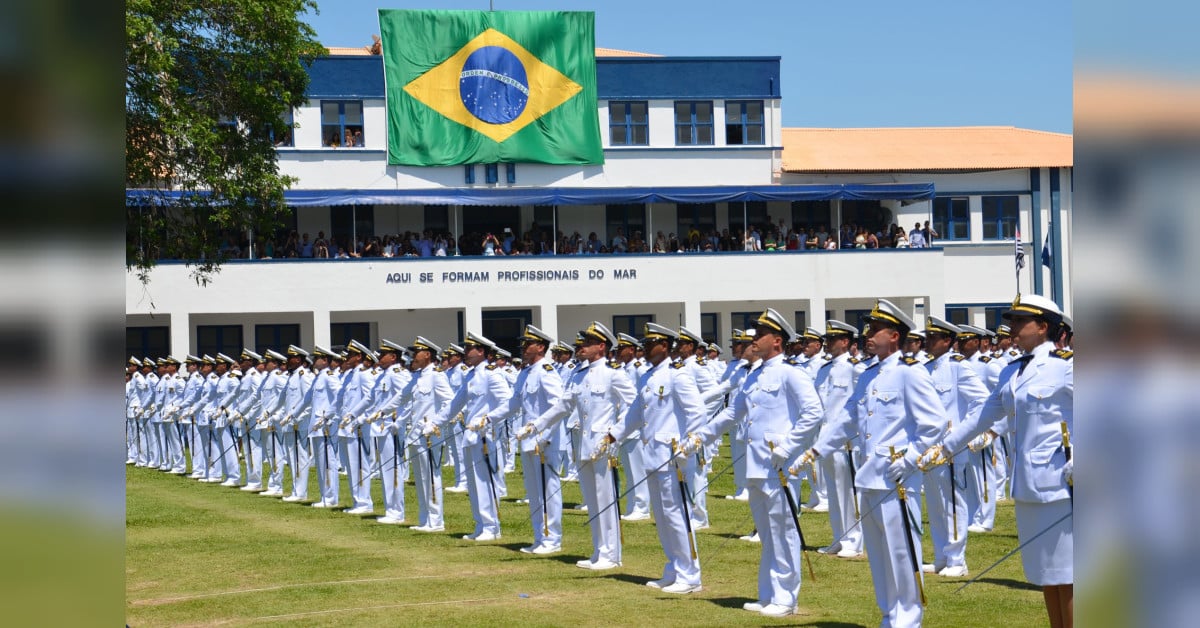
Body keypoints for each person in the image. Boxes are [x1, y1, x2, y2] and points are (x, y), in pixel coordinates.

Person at [920, 293, 1073, 628]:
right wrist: (944, 448)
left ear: (1043, 326)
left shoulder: (1065, 366)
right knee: (1047, 576)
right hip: (1028, 485)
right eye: (1012, 321)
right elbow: (983, 416)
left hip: (1062, 486)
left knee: (1071, 576)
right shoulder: (1012, 371)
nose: (1012, 327)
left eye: (1020, 321)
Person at [794, 299, 946, 627]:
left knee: (902, 552)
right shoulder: (868, 375)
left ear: (894, 335)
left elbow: (934, 423)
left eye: (875, 330)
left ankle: (908, 619)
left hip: (897, 477)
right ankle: (889, 614)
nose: (868, 335)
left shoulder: (909, 373)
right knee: (879, 555)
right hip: (869, 475)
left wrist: (910, 459)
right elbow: (847, 419)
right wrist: (817, 450)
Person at [681, 308, 824, 617]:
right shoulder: (754, 374)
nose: (753, 340)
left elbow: (814, 412)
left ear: (777, 341)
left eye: (760, 335)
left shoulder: (790, 372)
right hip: (757, 465)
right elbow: (734, 413)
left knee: (783, 533)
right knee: (767, 534)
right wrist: (701, 436)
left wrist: (788, 446)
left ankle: (786, 598)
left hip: (778, 465)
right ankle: (769, 594)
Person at [601, 323, 708, 594]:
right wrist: (613, 435)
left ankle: (690, 575)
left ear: (665, 346)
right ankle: (674, 568)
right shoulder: (648, 377)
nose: (646, 349)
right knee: (662, 517)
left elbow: (697, 413)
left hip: (672, 457)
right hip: (653, 456)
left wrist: (688, 445)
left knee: (677, 516)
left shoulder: (677, 375)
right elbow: (635, 414)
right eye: (645, 344)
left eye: (651, 344)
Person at [519, 322, 635, 570]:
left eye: (588, 343)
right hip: (583, 445)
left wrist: (614, 434)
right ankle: (598, 551)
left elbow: (633, 406)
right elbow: (563, 406)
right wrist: (536, 425)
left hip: (602, 445)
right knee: (592, 501)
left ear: (601, 346)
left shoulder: (613, 373)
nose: (582, 347)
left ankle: (611, 554)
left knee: (606, 500)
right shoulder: (580, 375)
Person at [920, 316, 988, 578]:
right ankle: (942, 556)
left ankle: (957, 560)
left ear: (947, 341)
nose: (927, 342)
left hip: (950, 448)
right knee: (935, 506)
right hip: (929, 448)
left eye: (933, 338)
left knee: (953, 504)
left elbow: (981, 401)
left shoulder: (958, 366)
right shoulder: (925, 368)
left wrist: (960, 434)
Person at [489, 326, 566, 553]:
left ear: (540, 347)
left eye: (528, 344)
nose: (523, 348)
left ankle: (552, 539)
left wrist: (545, 436)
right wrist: (490, 418)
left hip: (545, 442)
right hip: (528, 440)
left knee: (548, 491)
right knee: (534, 492)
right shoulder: (525, 373)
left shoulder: (547, 372)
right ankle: (539, 537)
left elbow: (558, 407)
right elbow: (513, 403)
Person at [444, 333, 514, 541]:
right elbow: (455, 404)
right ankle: (481, 524)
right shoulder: (471, 375)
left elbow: (508, 403)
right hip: (471, 435)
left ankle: (492, 527)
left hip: (485, 436)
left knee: (486, 482)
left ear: (481, 351)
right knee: (474, 484)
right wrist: (436, 423)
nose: (465, 352)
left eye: (469, 349)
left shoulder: (492, 374)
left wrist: (488, 419)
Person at [811, 320, 865, 558]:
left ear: (845, 342)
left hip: (846, 441)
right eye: (827, 339)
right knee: (833, 492)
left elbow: (862, 403)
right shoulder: (824, 369)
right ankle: (839, 538)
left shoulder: (855, 368)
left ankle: (854, 540)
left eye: (833, 340)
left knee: (849, 492)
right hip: (825, 439)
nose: (828, 343)